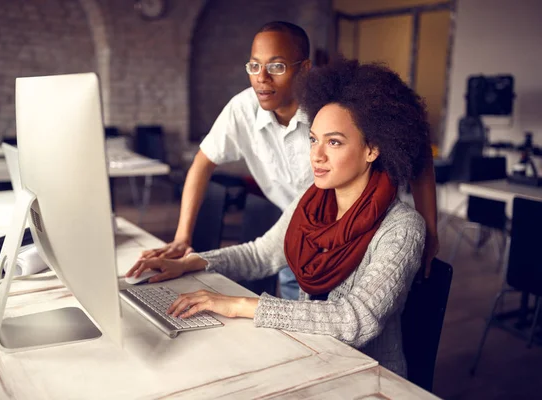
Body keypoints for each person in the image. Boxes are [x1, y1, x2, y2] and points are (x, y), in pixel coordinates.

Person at [127, 58, 431, 377]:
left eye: (335, 142)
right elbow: (261, 254)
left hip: (365, 376)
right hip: (306, 355)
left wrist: (241, 305)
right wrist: (190, 262)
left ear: (372, 149)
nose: (317, 154)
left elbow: (356, 320)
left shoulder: (402, 228)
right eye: (313, 139)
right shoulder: (311, 199)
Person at [139, 21, 439, 302]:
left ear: (304, 69)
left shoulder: (330, 108)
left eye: (277, 66)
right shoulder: (243, 111)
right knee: (299, 302)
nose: (262, 77)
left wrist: (429, 227)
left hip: (365, 225)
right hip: (300, 228)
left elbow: (414, 146)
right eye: (254, 66)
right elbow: (204, 168)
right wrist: (184, 243)